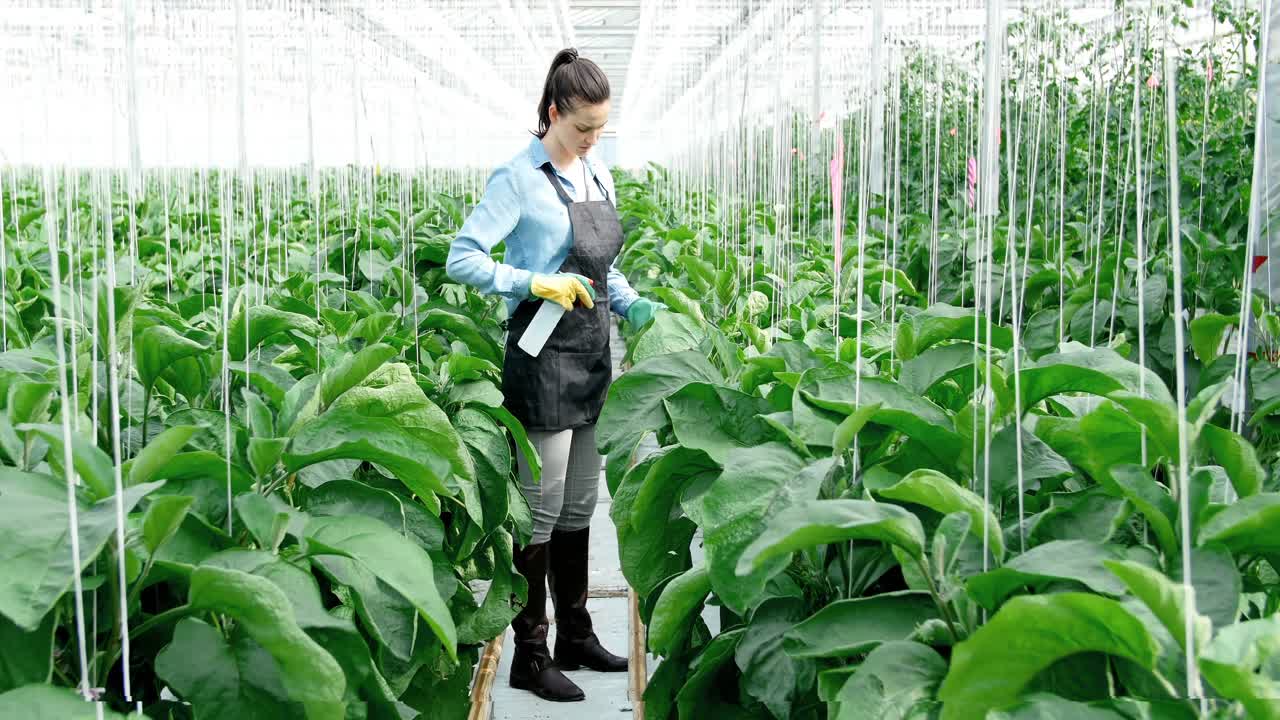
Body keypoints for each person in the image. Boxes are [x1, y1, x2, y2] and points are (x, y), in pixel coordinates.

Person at [445, 48, 665, 702]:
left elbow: (602, 267)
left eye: (601, 128)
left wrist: (631, 302)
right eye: (582, 127)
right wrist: (532, 281)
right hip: (541, 358)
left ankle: (576, 635)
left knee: (579, 504)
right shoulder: (517, 178)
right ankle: (530, 654)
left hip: (593, 353)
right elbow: (463, 257)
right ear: (552, 113)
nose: (593, 139)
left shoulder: (598, 174)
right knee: (540, 511)